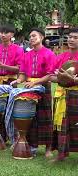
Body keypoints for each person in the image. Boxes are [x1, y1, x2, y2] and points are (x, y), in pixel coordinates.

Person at [11, 28, 56, 158]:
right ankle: (31, 145)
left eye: (34, 36)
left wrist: (35, 83)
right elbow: (23, 75)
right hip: (29, 88)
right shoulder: (27, 55)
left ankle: (48, 149)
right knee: (31, 118)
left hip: (43, 88)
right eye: (30, 36)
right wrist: (17, 81)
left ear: (41, 37)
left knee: (45, 118)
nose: (31, 38)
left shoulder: (49, 54)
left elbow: (49, 75)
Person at [50, 27, 78, 161]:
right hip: (62, 94)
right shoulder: (61, 56)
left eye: (75, 38)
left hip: (76, 94)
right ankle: (61, 155)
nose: (71, 40)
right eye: (70, 37)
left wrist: (72, 78)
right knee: (62, 125)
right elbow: (51, 76)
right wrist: (60, 78)